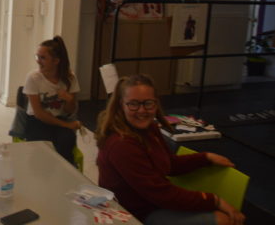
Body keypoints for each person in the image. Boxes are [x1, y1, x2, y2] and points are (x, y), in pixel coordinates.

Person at [95, 74, 245, 225]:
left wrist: (205, 158)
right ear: (121, 105)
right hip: (132, 214)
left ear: (156, 103)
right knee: (223, 221)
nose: (142, 110)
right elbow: (161, 194)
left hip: (150, 203)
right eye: (133, 104)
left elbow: (169, 164)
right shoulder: (121, 144)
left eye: (148, 103)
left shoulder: (150, 128)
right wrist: (214, 200)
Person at [22, 36, 82, 165]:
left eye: (43, 58)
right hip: (36, 121)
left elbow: (70, 111)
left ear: (56, 61)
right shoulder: (33, 78)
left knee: (67, 140)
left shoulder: (70, 78)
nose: (38, 61)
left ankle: (65, 173)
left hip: (60, 118)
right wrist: (67, 125)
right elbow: (39, 113)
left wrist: (69, 100)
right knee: (44, 148)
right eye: (37, 57)